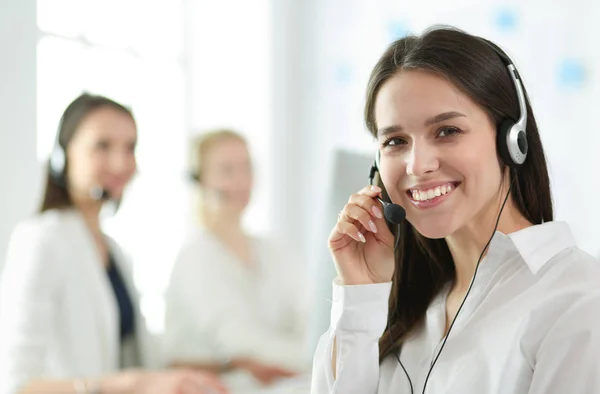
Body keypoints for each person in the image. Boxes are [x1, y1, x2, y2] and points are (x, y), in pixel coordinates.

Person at [311, 26, 600, 394]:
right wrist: (361, 295)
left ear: (512, 139)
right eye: (395, 141)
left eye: (447, 131)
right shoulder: (408, 306)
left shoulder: (579, 300)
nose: (417, 165)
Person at [0, 93, 227, 394]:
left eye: (129, 148)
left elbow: (141, 356)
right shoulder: (40, 239)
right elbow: (16, 384)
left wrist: (233, 365)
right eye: (102, 146)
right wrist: (130, 384)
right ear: (62, 156)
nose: (121, 162)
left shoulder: (112, 250)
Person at [163, 129, 309, 391]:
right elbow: (240, 342)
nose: (241, 180)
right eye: (227, 170)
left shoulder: (272, 250)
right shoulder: (197, 256)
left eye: (247, 168)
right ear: (200, 180)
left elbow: (304, 316)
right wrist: (317, 357)